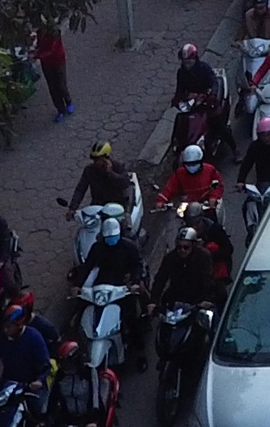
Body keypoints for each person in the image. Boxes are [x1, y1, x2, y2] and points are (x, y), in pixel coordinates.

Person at [77, 218, 148, 366]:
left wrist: (134, 282)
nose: (111, 240)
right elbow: (87, 266)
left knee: (131, 318)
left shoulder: (129, 247)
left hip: (123, 287)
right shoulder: (97, 248)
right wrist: (78, 285)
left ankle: (141, 354)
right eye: (108, 237)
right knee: (82, 313)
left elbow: (137, 265)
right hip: (102, 288)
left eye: (113, 237)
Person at [0, 302, 52, 419]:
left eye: (9, 326)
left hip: (29, 385)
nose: (6, 329)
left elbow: (45, 364)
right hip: (9, 383)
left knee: (40, 412)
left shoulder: (34, 337)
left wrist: (39, 380)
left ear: (19, 325)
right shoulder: (1, 339)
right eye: (5, 325)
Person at [170, 44, 233, 157]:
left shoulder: (204, 68)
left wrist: (209, 95)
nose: (186, 64)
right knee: (179, 120)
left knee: (218, 124)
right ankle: (175, 146)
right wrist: (177, 99)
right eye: (184, 62)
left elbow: (214, 83)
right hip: (192, 104)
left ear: (195, 59)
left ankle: (234, 148)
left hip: (207, 102)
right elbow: (180, 89)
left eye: (189, 61)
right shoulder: (181, 73)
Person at [150, 225, 220, 315]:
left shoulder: (203, 257)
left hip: (197, 301)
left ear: (193, 246)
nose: (182, 250)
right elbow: (160, 279)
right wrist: (153, 301)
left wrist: (207, 300)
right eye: (179, 247)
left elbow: (208, 280)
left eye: (186, 247)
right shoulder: (170, 258)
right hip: (175, 300)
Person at [66, 145, 133, 219]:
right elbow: (80, 189)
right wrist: (73, 208)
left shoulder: (118, 167)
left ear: (106, 158)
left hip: (117, 206)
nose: (96, 163)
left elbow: (124, 184)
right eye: (95, 160)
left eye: (99, 160)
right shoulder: (89, 170)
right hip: (98, 206)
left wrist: (110, 173)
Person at [156, 146, 224, 214]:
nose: (191, 167)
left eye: (194, 163)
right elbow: (170, 187)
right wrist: (161, 200)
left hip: (207, 205)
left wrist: (213, 197)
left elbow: (219, 185)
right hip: (189, 206)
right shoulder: (180, 173)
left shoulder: (210, 170)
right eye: (188, 164)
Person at [33, 24, 74, 121]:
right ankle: (60, 109)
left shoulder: (54, 33)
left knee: (61, 84)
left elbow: (51, 51)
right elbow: (40, 46)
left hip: (58, 61)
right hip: (47, 64)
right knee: (52, 87)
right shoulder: (40, 33)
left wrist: (37, 55)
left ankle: (68, 102)